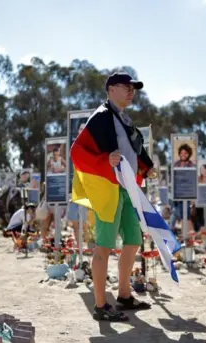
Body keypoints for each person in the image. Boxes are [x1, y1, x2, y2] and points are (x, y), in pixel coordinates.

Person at [70, 72, 155, 322]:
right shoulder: (101, 116)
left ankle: (124, 295)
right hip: (109, 188)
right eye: (126, 87)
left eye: (133, 88)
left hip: (128, 189)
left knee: (133, 239)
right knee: (104, 246)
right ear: (111, 89)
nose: (131, 91)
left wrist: (145, 166)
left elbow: (132, 150)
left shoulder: (125, 119)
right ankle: (100, 305)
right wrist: (103, 161)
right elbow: (77, 151)